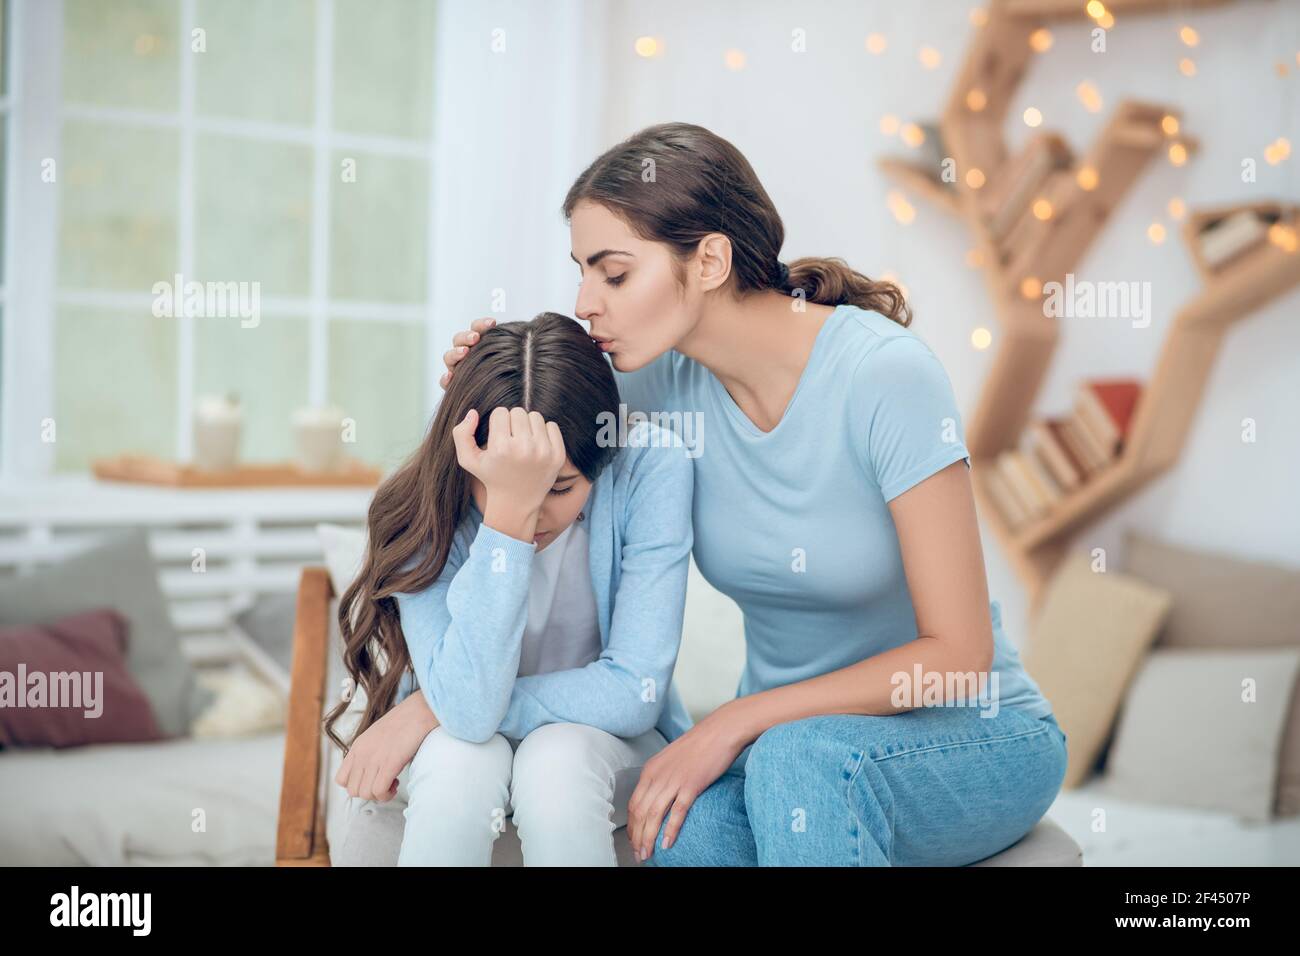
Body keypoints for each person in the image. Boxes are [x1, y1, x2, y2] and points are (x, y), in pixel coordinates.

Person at [440, 123, 1067, 866]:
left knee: (798, 760)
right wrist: (487, 378)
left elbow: (960, 653)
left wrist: (734, 721)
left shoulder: (884, 377)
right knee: (681, 831)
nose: (585, 301)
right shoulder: (656, 382)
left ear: (709, 259)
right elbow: (540, 419)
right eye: (580, 271)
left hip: (972, 733)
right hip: (784, 748)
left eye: (613, 274)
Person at [328, 312, 694, 865]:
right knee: (459, 758)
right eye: (498, 483)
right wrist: (505, 520)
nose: (536, 513)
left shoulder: (650, 464)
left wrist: (428, 708)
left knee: (556, 758)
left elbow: (633, 689)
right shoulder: (424, 510)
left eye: (561, 487)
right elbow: (470, 717)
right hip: (462, 739)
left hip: (603, 739)